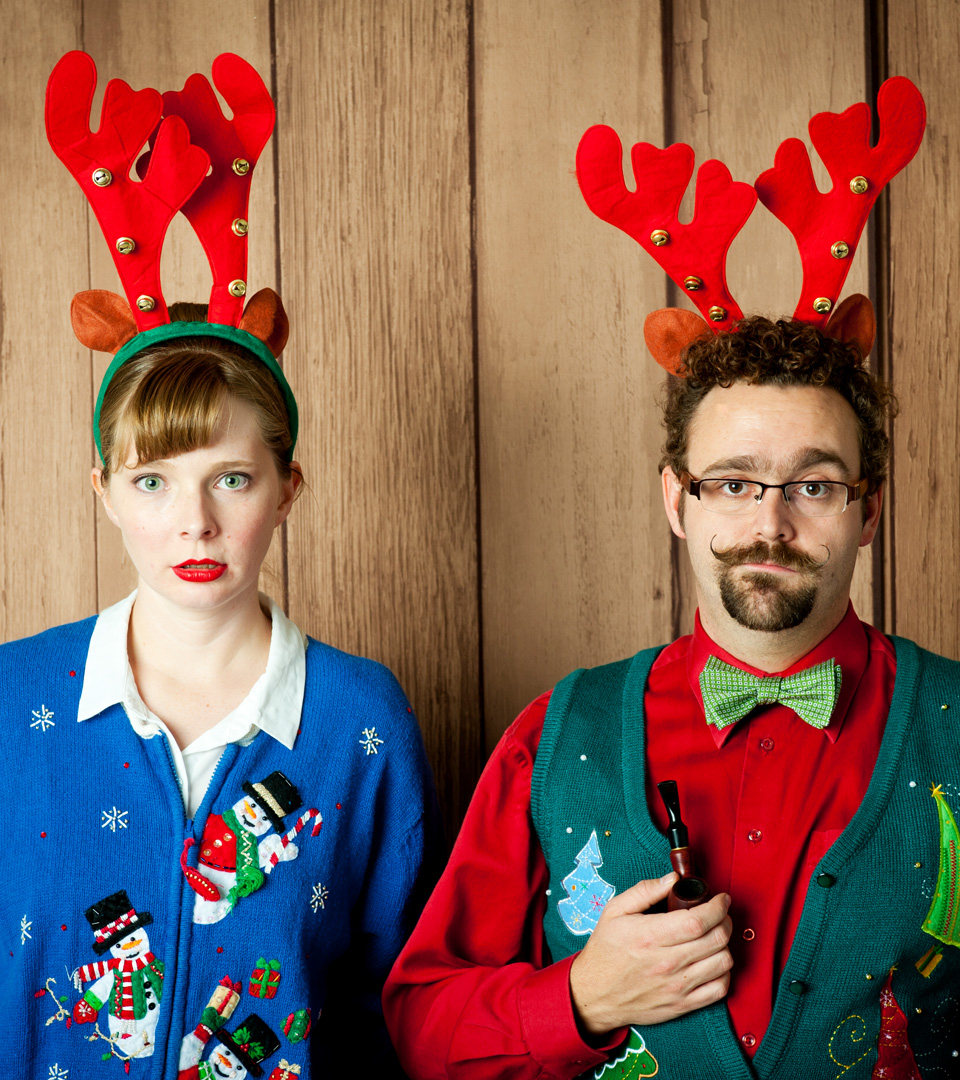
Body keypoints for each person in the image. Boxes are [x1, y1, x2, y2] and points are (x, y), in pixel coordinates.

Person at [1, 50, 437, 1076]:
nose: (194, 521)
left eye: (231, 480)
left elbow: (395, 1006)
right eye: (153, 482)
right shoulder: (13, 696)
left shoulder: (360, 721)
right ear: (102, 489)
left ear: (289, 488)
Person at [384, 313, 960, 1079]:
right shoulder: (556, 733)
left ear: (870, 510)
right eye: (731, 483)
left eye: (814, 486)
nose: (770, 523)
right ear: (675, 500)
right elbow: (424, 1029)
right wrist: (581, 1000)